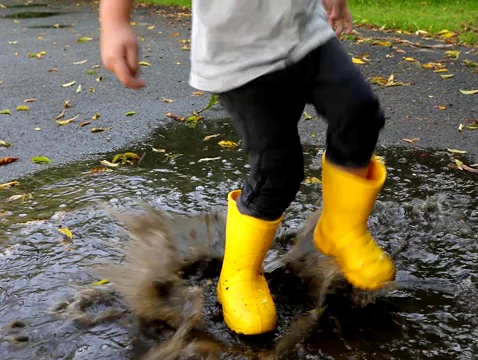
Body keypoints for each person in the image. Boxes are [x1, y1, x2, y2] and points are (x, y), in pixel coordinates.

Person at [99, 0, 396, 336]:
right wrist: (115, 21)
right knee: (278, 170)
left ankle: (342, 229)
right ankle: (240, 273)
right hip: (238, 57)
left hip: (306, 33)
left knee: (360, 114)